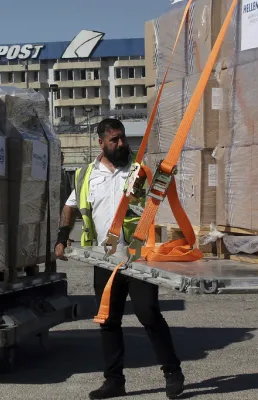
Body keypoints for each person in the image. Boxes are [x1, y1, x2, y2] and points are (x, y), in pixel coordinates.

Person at [54, 119, 185, 399]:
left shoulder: (139, 170)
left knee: (148, 313)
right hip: (106, 258)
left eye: (123, 138)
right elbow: (70, 205)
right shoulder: (86, 174)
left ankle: (172, 371)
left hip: (138, 257)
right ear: (101, 143)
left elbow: (162, 191)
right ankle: (114, 380)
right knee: (108, 320)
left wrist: (164, 175)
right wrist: (62, 235)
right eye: (114, 140)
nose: (121, 144)